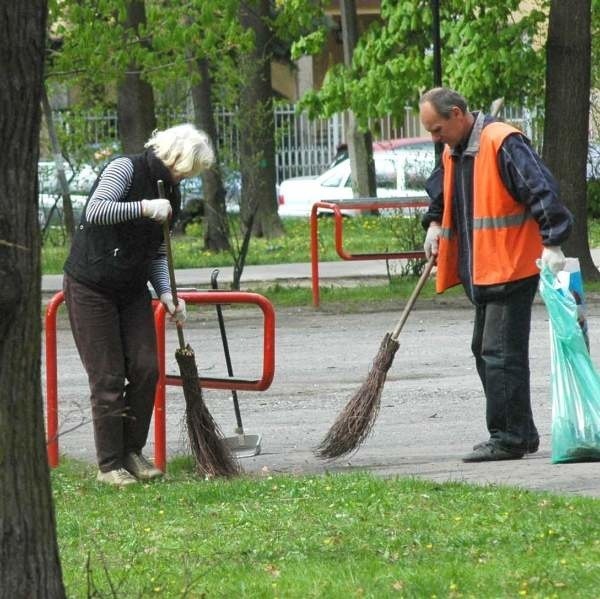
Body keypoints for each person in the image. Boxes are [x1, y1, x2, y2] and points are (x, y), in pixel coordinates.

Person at [419, 87, 573, 462]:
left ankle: (508, 437)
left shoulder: (502, 142)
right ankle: (520, 432)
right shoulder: (454, 149)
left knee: (499, 354)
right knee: (486, 351)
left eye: (437, 129)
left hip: (509, 266)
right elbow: (442, 187)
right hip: (484, 268)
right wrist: (435, 222)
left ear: (457, 114)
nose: (434, 138)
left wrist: (553, 241)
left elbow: (542, 190)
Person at [63, 124, 215, 485]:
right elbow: (95, 211)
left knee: (147, 368)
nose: (185, 176)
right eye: (186, 168)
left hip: (131, 288)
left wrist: (166, 293)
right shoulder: (125, 168)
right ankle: (109, 465)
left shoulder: (171, 192)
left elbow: (157, 250)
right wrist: (145, 207)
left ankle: (132, 451)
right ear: (175, 155)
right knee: (108, 376)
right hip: (91, 284)